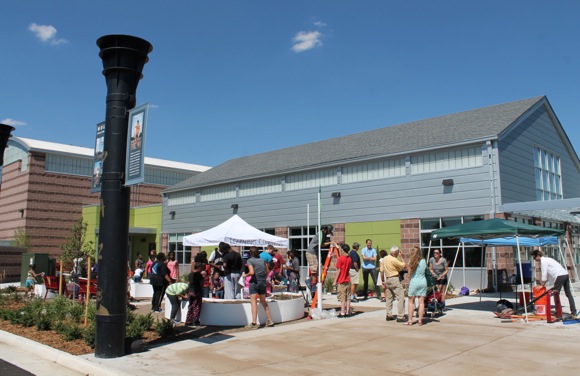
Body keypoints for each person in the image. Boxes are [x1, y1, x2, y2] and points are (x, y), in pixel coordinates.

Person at [532, 250, 577, 316]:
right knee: (568, 294)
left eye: (534, 257)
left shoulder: (543, 262)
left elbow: (544, 274)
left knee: (556, 294)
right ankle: (574, 311)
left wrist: (542, 285)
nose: (534, 259)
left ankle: (558, 312)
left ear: (538, 256)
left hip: (560, 276)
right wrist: (545, 283)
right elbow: (549, 274)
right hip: (565, 274)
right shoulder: (548, 259)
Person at [243, 247, 275, 329]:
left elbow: (251, 272)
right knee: (263, 301)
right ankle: (270, 320)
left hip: (254, 282)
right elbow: (268, 271)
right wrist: (263, 277)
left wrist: (245, 275)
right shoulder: (262, 260)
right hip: (262, 282)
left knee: (253, 302)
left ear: (250, 253)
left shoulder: (250, 260)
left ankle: (254, 322)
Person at [380, 246, 406, 322]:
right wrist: (401, 257)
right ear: (395, 253)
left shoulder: (385, 258)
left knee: (389, 298)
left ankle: (388, 314)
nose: (398, 253)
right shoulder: (393, 259)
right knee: (401, 297)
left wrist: (382, 280)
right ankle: (400, 316)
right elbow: (402, 265)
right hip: (394, 278)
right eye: (398, 252)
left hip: (387, 278)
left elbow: (381, 270)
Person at [305, 225, 334, 294]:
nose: (329, 233)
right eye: (329, 231)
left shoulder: (323, 234)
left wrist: (330, 241)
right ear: (327, 229)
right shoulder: (321, 233)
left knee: (318, 268)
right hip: (311, 253)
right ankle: (312, 284)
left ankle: (312, 282)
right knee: (314, 269)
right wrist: (330, 242)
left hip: (314, 253)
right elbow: (321, 244)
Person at [406, 246, 427, 326]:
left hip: (414, 281)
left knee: (411, 301)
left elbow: (409, 275)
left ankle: (410, 320)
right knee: (421, 302)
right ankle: (420, 320)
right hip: (422, 281)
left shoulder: (411, 262)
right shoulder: (423, 261)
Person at [333, 243, 352, 318]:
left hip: (341, 280)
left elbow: (339, 270)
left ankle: (342, 312)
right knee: (348, 297)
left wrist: (335, 281)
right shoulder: (349, 259)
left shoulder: (340, 259)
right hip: (348, 279)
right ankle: (348, 312)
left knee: (342, 297)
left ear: (343, 250)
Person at [185, 262, 205, 326]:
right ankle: (195, 321)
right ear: (199, 268)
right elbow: (201, 284)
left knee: (190, 306)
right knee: (197, 306)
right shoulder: (199, 275)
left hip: (190, 291)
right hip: (197, 292)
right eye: (201, 268)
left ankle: (188, 321)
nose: (202, 269)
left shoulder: (190, 274)